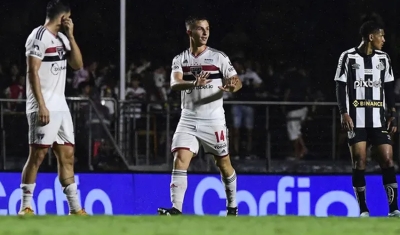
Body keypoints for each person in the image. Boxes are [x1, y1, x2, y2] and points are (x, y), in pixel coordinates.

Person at [157, 16, 242, 216]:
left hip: (213, 120)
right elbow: (174, 83)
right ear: (189, 33)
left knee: (223, 164)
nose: (205, 33)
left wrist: (232, 86)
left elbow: (237, 81)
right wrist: (193, 83)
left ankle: (232, 206)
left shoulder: (218, 57)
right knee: (180, 158)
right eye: (200, 29)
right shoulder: (180, 59)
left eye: (207, 29)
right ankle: (176, 209)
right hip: (188, 118)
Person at [20, 0, 86, 215]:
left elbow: (77, 65)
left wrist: (72, 36)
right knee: (37, 155)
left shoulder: (62, 39)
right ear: (64, 16)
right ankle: (26, 206)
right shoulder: (38, 36)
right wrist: (41, 105)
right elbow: (32, 72)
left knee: (67, 155)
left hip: (61, 105)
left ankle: (75, 209)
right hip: (43, 104)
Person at [334, 17, 399, 217]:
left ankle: (394, 209)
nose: (384, 40)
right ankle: (363, 209)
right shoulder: (347, 57)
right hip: (356, 119)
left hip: (378, 119)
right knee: (360, 161)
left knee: (388, 160)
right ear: (371, 37)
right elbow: (340, 86)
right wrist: (344, 112)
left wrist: (393, 113)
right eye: (381, 36)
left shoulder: (384, 59)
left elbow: (388, 88)